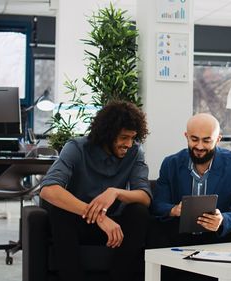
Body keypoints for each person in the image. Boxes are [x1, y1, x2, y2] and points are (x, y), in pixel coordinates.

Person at [39, 101, 151, 281]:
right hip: (79, 221)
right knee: (59, 212)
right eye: (123, 137)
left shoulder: (135, 152)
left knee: (139, 211)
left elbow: (145, 197)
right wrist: (98, 217)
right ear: (108, 133)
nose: (129, 144)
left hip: (115, 226)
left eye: (132, 137)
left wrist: (115, 192)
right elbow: (48, 190)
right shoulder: (76, 147)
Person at [150, 113, 231, 248]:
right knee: (155, 228)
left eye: (207, 141)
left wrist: (223, 219)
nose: (200, 146)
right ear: (186, 136)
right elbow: (158, 204)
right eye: (194, 139)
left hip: (218, 235)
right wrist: (174, 210)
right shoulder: (170, 164)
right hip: (180, 234)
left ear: (218, 139)